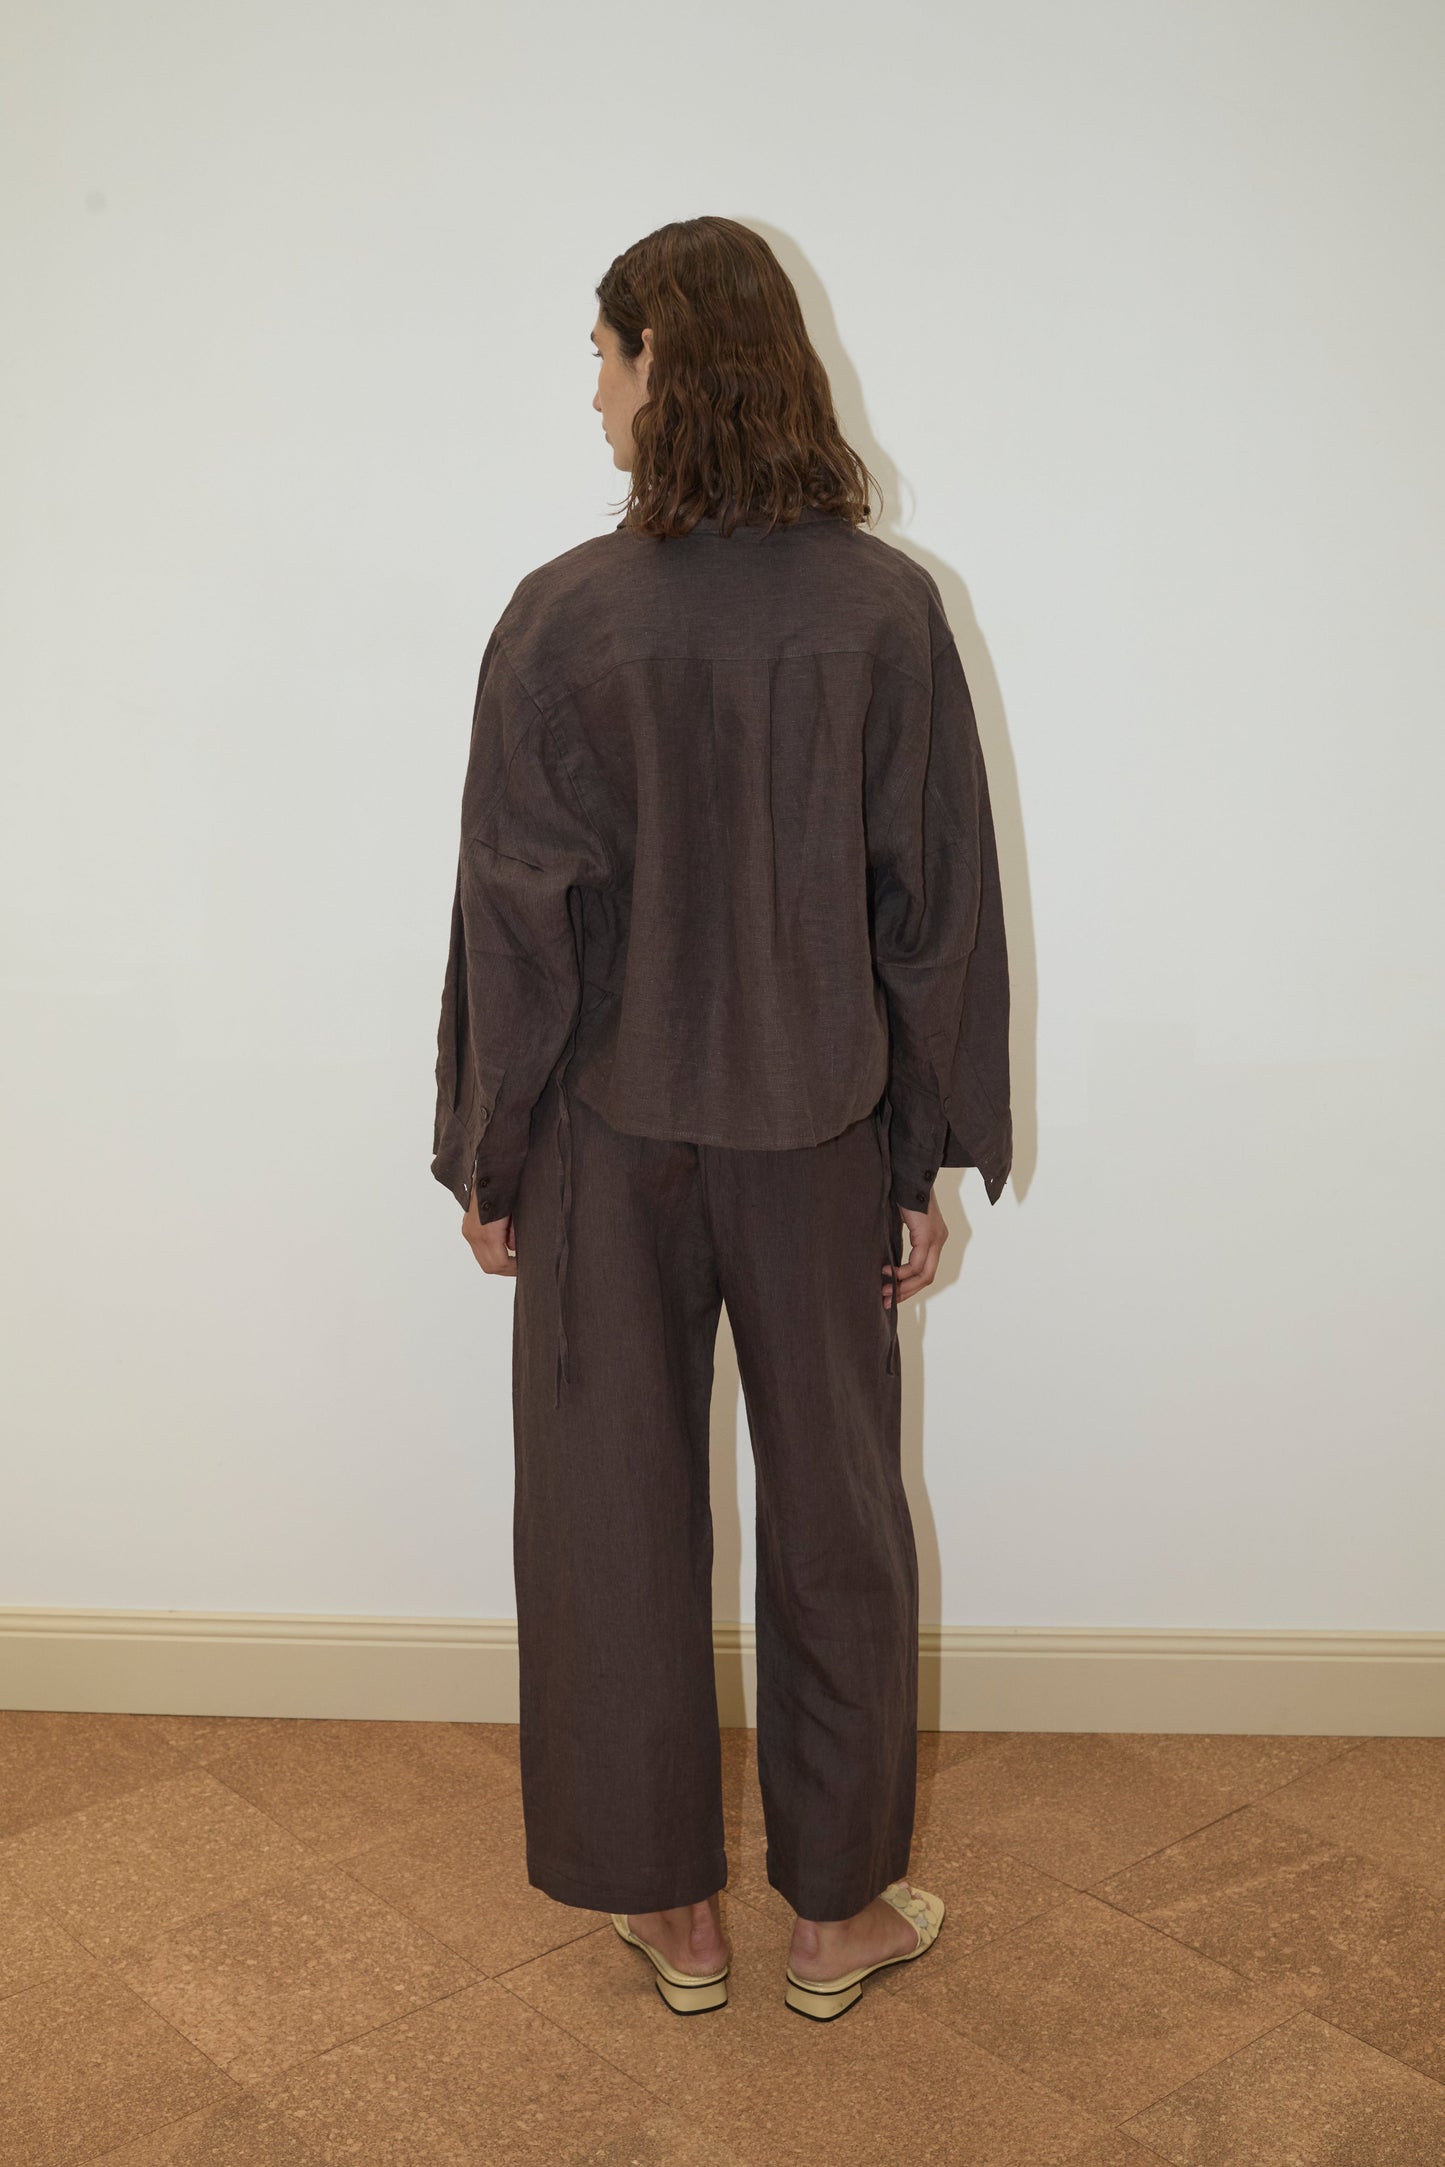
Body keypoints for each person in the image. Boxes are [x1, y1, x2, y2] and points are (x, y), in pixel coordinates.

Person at [431, 216, 1011, 2020]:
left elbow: (513, 918)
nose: (592, 392)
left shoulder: (561, 618)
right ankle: (837, 1919)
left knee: (607, 1511)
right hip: (822, 1126)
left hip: (610, 1140)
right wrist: (918, 1153)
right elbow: (932, 914)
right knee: (838, 1514)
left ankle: (669, 1914)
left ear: (661, 365)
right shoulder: (885, 609)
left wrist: (491, 1146)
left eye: (602, 354)